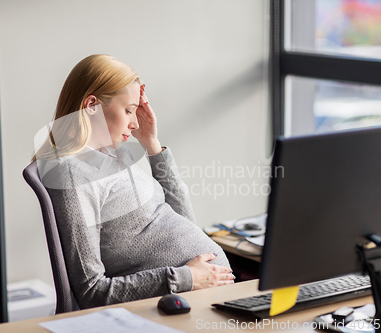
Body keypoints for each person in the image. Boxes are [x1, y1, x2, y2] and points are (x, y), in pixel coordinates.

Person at [33, 54, 234, 309]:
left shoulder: (114, 156)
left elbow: (183, 222)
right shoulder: (72, 174)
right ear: (92, 105)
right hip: (177, 304)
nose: (135, 121)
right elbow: (91, 290)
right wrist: (185, 278)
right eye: (128, 110)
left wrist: (151, 144)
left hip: (204, 295)